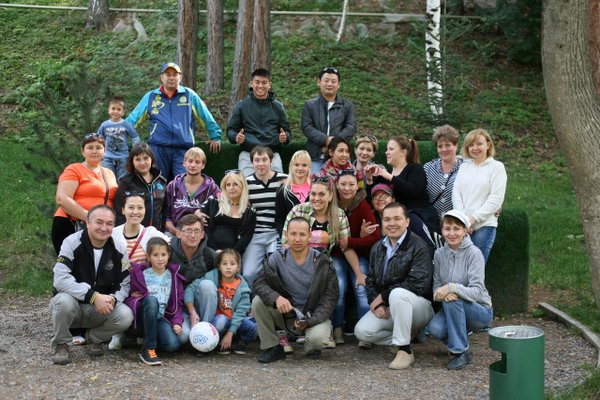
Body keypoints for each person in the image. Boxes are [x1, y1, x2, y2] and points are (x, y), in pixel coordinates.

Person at [354, 202, 434, 370]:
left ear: (407, 222)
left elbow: (418, 282)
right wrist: (377, 303)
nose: (392, 223)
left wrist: (383, 297)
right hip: (392, 306)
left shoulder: (419, 245)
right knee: (362, 332)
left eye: (397, 218)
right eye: (387, 219)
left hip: (419, 306)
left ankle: (404, 350)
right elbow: (371, 280)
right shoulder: (377, 248)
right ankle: (404, 334)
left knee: (397, 294)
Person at [50, 205, 133, 365]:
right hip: (74, 305)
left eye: (109, 223)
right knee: (63, 301)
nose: (104, 228)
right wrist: (93, 296)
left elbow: (124, 282)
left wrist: (112, 299)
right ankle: (62, 344)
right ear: (87, 223)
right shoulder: (71, 242)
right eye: (99, 222)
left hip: (100, 309)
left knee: (125, 315)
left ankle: (93, 339)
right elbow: (60, 279)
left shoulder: (119, 246)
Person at [252, 217, 339, 362]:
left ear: (309, 236)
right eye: (293, 234)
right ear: (286, 235)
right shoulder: (276, 258)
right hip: (287, 314)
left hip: (313, 316)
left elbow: (330, 298)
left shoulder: (322, 261)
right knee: (258, 302)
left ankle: (311, 345)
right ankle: (273, 347)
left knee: (317, 340)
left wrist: (308, 321)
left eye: (302, 234)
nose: (297, 239)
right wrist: (276, 298)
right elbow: (258, 283)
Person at [126, 62, 222, 181]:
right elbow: (133, 119)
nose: (171, 78)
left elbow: (205, 115)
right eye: (168, 74)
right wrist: (118, 133)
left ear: (180, 77)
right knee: (157, 183)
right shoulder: (151, 96)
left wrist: (215, 135)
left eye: (175, 75)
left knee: (183, 184)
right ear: (162, 77)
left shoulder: (189, 95)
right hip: (158, 149)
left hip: (183, 149)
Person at [427, 210, 493, 370]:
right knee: (435, 328)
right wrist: (443, 294)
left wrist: (452, 288)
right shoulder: (439, 254)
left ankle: (460, 352)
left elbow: (477, 292)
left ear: (465, 231)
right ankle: (459, 342)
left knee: (453, 299)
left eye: (456, 228)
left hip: (479, 311)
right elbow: (436, 289)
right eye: (447, 228)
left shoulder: (474, 253)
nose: (451, 233)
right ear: (442, 231)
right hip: (453, 308)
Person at [109, 192, 169, 350]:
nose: (135, 212)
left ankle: (142, 333)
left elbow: (169, 248)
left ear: (145, 210)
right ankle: (118, 332)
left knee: (149, 301)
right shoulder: (113, 234)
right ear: (123, 210)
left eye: (140, 208)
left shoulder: (151, 233)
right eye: (131, 207)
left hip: (143, 286)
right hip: (118, 283)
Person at [331, 168, 380, 345]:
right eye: (343, 184)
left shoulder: (363, 205)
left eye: (351, 184)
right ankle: (337, 327)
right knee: (339, 285)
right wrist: (357, 237)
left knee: (362, 287)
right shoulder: (331, 203)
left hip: (358, 253)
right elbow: (332, 238)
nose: (347, 188)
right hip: (336, 254)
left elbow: (375, 236)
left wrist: (352, 240)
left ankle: (366, 332)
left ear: (357, 186)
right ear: (337, 185)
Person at [365, 135, 438, 255]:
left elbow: (414, 190)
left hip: (421, 219)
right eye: (387, 149)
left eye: (391, 149)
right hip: (400, 222)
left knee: (426, 250)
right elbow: (373, 198)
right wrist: (369, 180)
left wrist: (390, 177)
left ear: (403, 152)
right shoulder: (387, 174)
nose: (386, 152)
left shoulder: (415, 168)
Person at [51, 133, 118, 255]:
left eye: (98, 147)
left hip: (100, 229)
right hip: (71, 224)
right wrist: (90, 218)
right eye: (90, 147)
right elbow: (62, 198)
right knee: (73, 264)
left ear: (104, 151)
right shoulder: (74, 169)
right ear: (83, 151)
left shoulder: (109, 173)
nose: (94, 151)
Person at [125, 237, 186, 366]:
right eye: (155, 255)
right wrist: (133, 296)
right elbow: (128, 295)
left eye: (163, 254)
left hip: (161, 317)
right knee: (152, 300)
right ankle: (149, 348)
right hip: (143, 317)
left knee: (173, 345)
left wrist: (177, 322)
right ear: (148, 256)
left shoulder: (174, 276)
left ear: (169, 255)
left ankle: (150, 337)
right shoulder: (140, 274)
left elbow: (178, 303)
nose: (160, 259)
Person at [185, 249, 257, 355]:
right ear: (219, 266)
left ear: (238, 267)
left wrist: (230, 333)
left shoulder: (242, 286)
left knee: (253, 327)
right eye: (224, 264)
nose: (228, 267)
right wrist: (192, 311)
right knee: (221, 320)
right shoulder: (212, 276)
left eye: (232, 264)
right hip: (217, 321)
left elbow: (241, 312)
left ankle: (238, 342)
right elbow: (190, 289)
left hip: (234, 321)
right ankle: (209, 340)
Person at [452, 129, 507, 263]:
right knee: (460, 267)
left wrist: (471, 221)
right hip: (463, 227)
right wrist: (464, 221)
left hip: (484, 226)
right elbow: (456, 193)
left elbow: (496, 199)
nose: (475, 148)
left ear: (488, 144)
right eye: (471, 145)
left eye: (479, 144)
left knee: (475, 269)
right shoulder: (464, 166)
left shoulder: (497, 167)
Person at [226, 68, 292, 176]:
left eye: (264, 83)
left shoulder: (277, 106)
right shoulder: (242, 106)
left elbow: (287, 132)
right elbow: (230, 130)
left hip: (272, 155)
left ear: (269, 84)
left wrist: (285, 137)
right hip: (248, 155)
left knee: (278, 185)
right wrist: (235, 137)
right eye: (257, 82)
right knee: (247, 184)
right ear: (251, 83)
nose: (260, 86)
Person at [242, 146, 287, 286]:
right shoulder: (246, 183)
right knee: (248, 273)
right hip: (255, 234)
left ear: (271, 161)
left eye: (264, 159)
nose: (261, 163)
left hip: (276, 233)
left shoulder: (284, 180)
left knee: (277, 271)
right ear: (252, 163)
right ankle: (254, 297)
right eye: (257, 160)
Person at [170, 215, 218, 341]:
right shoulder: (168, 253)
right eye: (188, 230)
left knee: (208, 285)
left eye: (196, 231)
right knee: (183, 337)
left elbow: (230, 278)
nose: (193, 235)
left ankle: (205, 331)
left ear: (202, 234)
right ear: (179, 233)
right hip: (178, 306)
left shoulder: (209, 255)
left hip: (201, 304)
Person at [301, 66, 357, 173]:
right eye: (326, 80)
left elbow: (351, 127)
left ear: (339, 84)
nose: (330, 84)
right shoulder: (310, 105)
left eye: (333, 81)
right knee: (315, 182)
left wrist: (334, 143)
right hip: (315, 157)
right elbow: (307, 127)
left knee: (343, 183)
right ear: (319, 82)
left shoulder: (347, 106)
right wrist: (325, 140)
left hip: (340, 158)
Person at [164, 147, 220, 236]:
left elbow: (220, 212)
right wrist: (177, 233)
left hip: (201, 235)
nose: (193, 165)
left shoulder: (212, 188)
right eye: (190, 161)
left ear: (203, 165)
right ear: (184, 163)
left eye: (197, 162)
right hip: (175, 233)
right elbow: (165, 216)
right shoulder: (172, 186)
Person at [114, 142, 167, 230]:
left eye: (146, 158)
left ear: (152, 159)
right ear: (132, 161)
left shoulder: (161, 182)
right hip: (132, 233)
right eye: (138, 159)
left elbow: (165, 211)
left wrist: (162, 231)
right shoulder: (126, 182)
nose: (142, 163)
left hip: (156, 233)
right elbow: (118, 210)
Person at [202, 171, 256, 255]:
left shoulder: (249, 211)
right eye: (228, 185)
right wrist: (215, 250)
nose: (231, 188)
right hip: (209, 251)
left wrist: (231, 254)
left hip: (233, 255)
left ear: (243, 186)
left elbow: (246, 237)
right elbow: (204, 228)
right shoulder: (214, 202)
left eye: (235, 184)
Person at [423, 125, 463, 221]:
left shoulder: (466, 167)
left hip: (457, 224)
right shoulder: (428, 168)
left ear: (456, 145)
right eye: (440, 146)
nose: (444, 149)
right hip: (433, 224)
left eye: (448, 145)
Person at [97, 96, 141, 180]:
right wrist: (99, 153)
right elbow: (98, 139)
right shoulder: (104, 125)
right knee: (108, 178)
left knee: (123, 179)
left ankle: (121, 189)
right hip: (107, 157)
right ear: (109, 110)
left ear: (123, 112)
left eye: (119, 109)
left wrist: (135, 152)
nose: (115, 111)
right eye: (113, 108)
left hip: (123, 157)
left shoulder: (126, 124)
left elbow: (135, 138)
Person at [274, 150, 312, 237]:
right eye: (296, 165)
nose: (300, 168)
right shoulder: (283, 190)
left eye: (304, 165)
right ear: (290, 166)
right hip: (291, 237)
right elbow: (279, 219)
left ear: (309, 167)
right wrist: (284, 237)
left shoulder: (315, 187)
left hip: (313, 235)